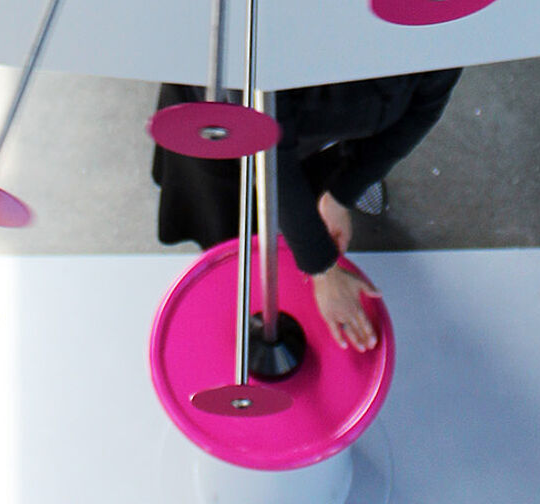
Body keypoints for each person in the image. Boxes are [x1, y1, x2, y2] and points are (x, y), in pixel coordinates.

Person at [152, 69, 461, 353]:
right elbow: (270, 157)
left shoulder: (428, 39)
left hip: (318, 131)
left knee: (318, 179)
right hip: (230, 125)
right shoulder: (265, 53)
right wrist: (322, 267)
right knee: (231, 227)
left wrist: (343, 191)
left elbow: (423, 107)